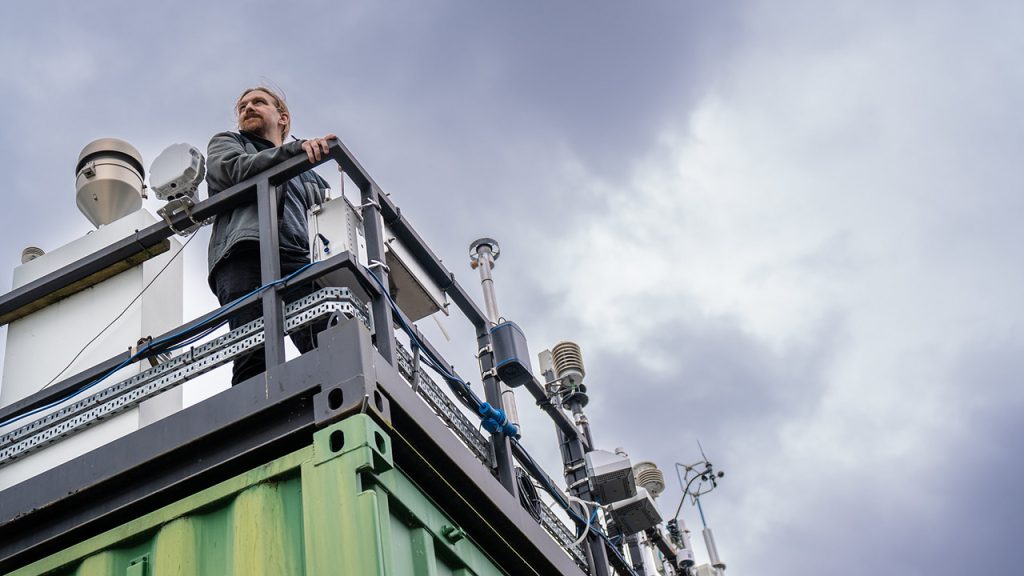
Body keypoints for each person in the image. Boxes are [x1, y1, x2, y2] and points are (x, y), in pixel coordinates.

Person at [206, 86, 336, 385]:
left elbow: (329, 221)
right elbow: (230, 171)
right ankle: (254, 424)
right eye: (242, 106)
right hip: (245, 253)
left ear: (283, 117)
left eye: (259, 102)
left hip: (298, 257)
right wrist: (293, 151)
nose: (248, 108)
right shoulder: (228, 143)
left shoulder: (311, 174)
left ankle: (337, 405)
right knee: (253, 352)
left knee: (324, 336)